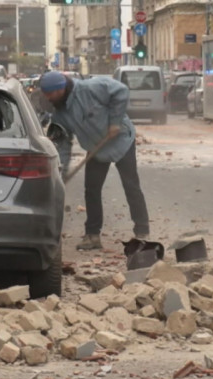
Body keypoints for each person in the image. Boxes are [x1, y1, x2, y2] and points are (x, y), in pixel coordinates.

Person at [39, 71, 150, 250]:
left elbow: (121, 91)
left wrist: (114, 121)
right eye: (45, 94)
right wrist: (61, 173)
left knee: (131, 185)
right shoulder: (60, 114)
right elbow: (63, 146)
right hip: (96, 149)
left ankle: (142, 231)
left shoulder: (90, 87)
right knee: (91, 190)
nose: (48, 98)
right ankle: (92, 235)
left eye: (50, 93)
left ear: (60, 89)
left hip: (122, 140)